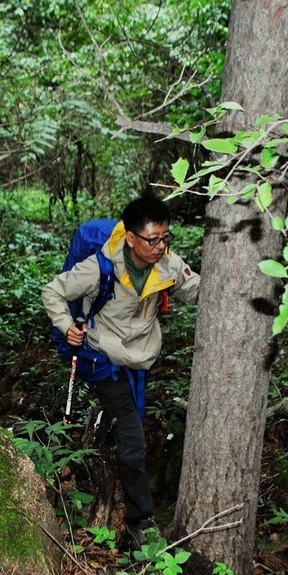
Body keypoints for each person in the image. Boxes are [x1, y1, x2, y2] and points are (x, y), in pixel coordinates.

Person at [41, 194, 201, 548]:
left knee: (132, 425)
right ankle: (139, 520)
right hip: (100, 356)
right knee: (132, 433)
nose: (160, 246)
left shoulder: (168, 265)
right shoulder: (100, 268)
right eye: (152, 239)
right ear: (131, 238)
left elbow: (197, 290)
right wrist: (67, 324)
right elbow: (53, 290)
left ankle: (113, 471)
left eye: (165, 238)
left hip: (138, 358)